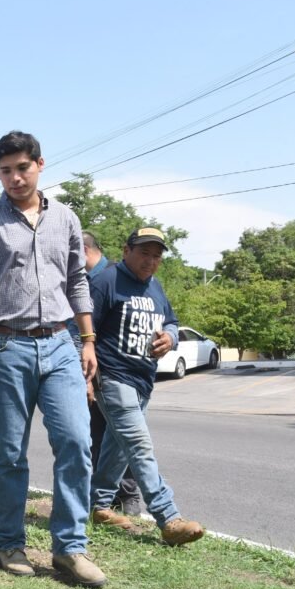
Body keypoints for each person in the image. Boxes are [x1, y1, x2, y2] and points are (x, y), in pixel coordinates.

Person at [0, 131, 106, 589]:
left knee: (76, 441)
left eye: (22, 168)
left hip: (60, 343)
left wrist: (88, 340)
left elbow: (76, 281)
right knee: (11, 452)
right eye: (5, 171)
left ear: (39, 164)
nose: (15, 178)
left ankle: (70, 548)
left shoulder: (66, 218)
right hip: (5, 346)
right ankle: (10, 542)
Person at [88, 228, 204, 545]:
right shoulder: (106, 282)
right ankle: (169, 517)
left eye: (156, 256)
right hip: (113, 377)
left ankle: (98, 506)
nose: (150, 261)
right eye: (144, 253)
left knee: (117, 447)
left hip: (143, 380)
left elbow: (171, 321)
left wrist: (171, 337)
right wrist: (85, 378)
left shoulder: (155, 286)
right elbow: (83, 331)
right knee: (139, 446)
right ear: (126, 251)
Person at [69, 231, 142, 516]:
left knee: (123, 437)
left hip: (117, 374)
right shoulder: (80, 282)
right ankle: (103, 499)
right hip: (90, 374)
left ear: (83, 251)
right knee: (96, 437)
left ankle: (128, 495)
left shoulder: (115, 277)